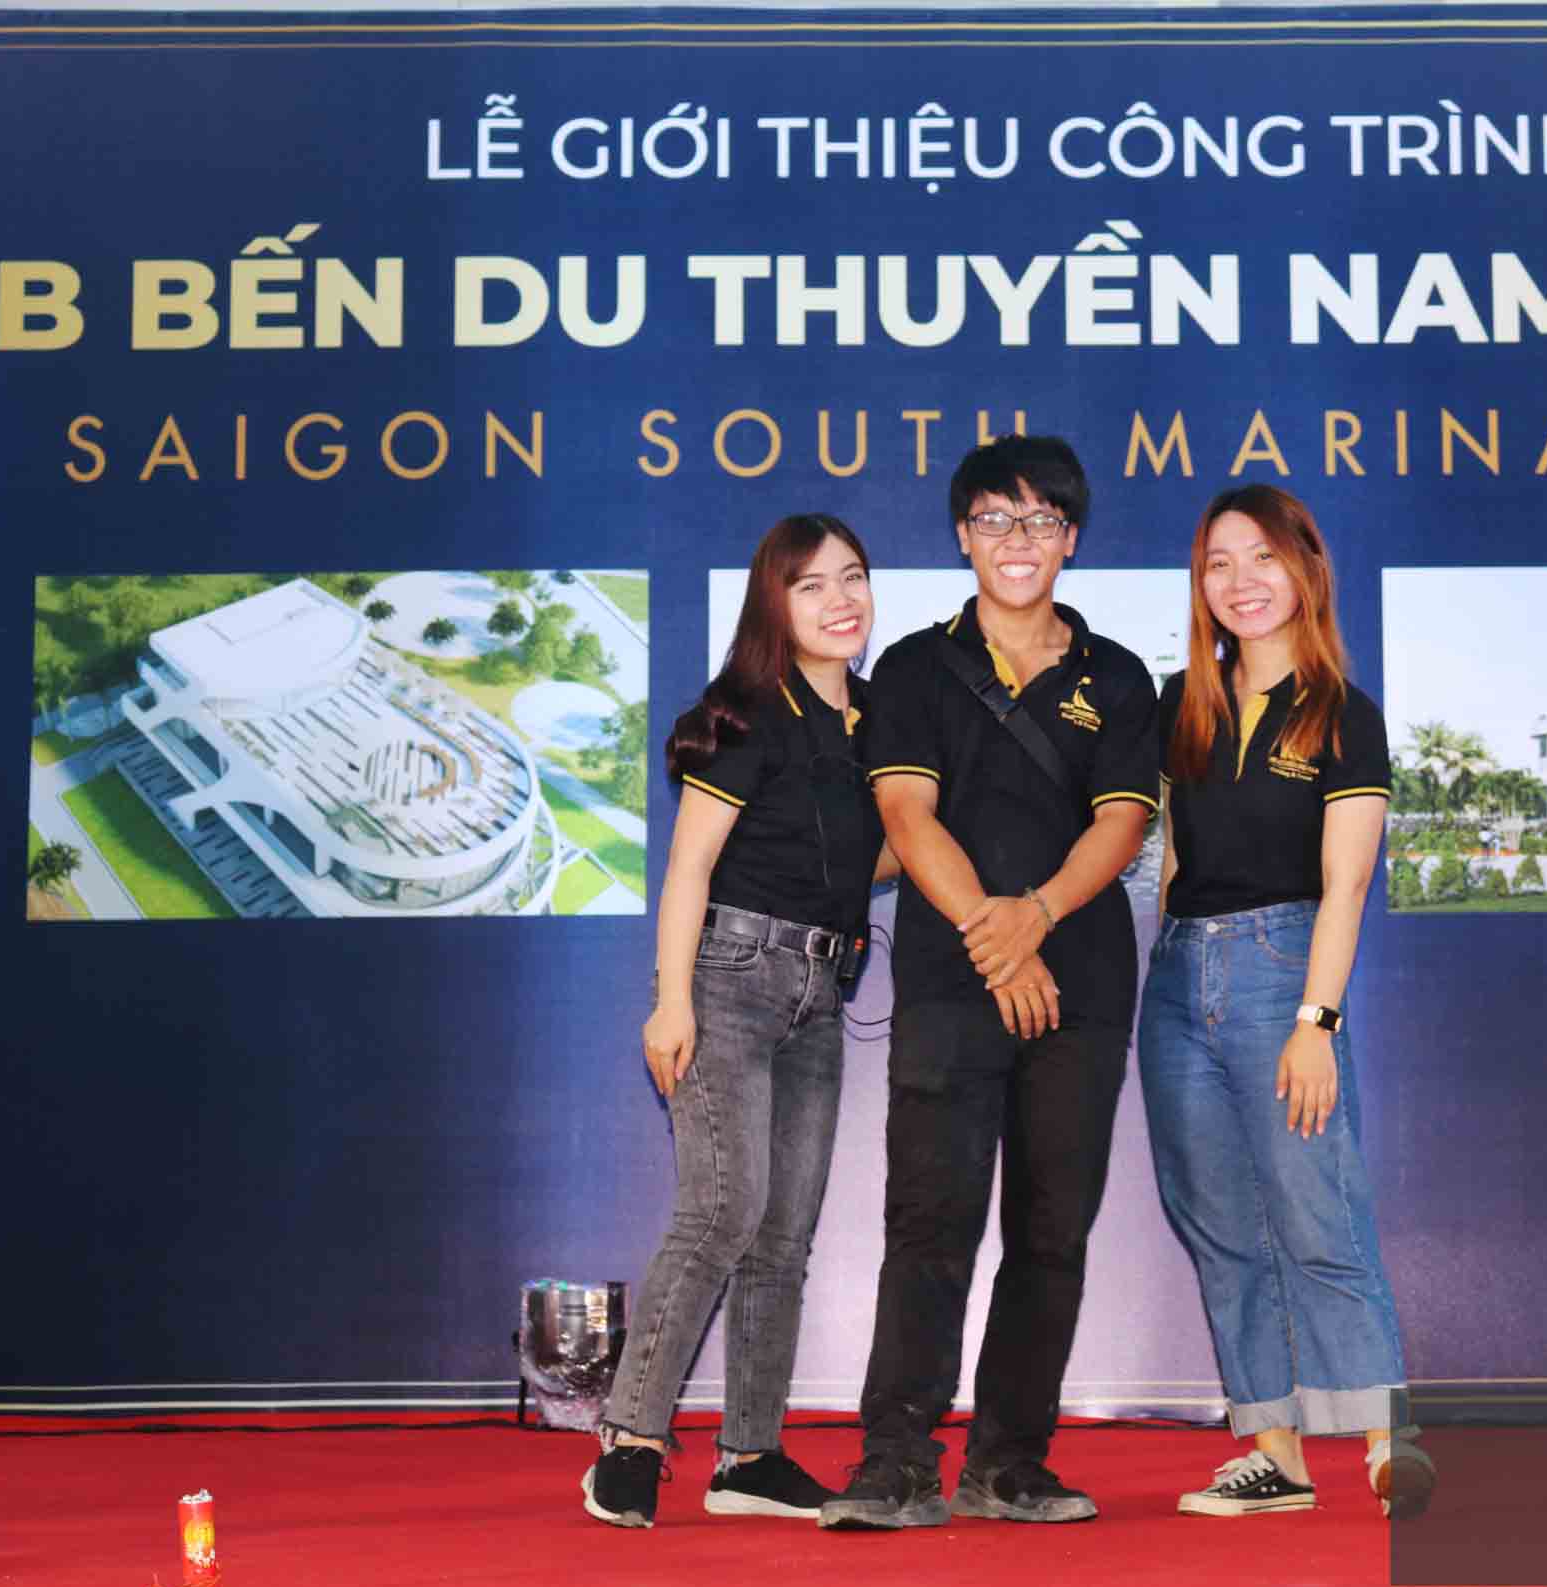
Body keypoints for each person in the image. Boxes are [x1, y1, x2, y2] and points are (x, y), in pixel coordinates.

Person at [818, 435, 1159, 1529]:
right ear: (964, 535)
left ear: (1072, 538)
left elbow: (1122, 822)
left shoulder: (1118, 676)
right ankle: (895, 1458)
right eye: (996, 520)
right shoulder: (915, 668)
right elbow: (905, 814)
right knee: (931, 1219)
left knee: (1052, 1228)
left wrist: (1037, 917)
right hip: (951, 980)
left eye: (1042, 520)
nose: (1020, 540)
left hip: (1081, 982)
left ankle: (1010, 1460)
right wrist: (991, 936)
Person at [584, 513, 890, 1529]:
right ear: (774, 603)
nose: (840, 600)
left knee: (784, 1235)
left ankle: (750, 1455)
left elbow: (867, 857)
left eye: (853, 577)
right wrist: (671, 998)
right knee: (721, 1210)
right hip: (728, 977)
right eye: (812, 585)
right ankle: (631, 1441)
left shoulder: (877, 722)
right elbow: (689, 867)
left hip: (822, 989)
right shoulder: (746, 712)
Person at [1136, 484, 1435, 1520]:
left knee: (1317, 1211)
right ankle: (1275, 1453)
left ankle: (1392, 1444)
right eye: (1218, 563)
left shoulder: (1343, 712)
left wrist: (1316, 1021)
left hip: (1284, 972)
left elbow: (1345, 885)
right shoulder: (1182, 705)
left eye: (1261, 557)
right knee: (1218, 1224)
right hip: (1177, 981)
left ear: (1304, 568)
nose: (1241, 581)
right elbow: (1172, 861)